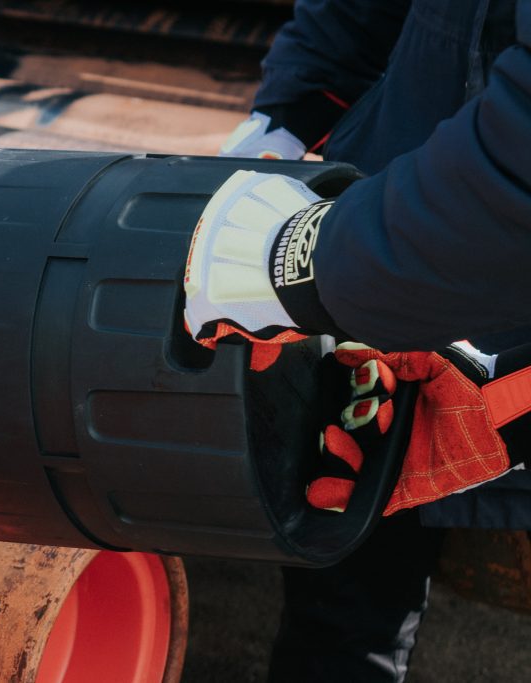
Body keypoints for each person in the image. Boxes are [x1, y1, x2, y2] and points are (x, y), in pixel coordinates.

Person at [186, 1, 531, 680]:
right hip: (383, 249)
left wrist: (304, 262)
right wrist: (281, 125)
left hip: (389, 258)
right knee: (344, 606)